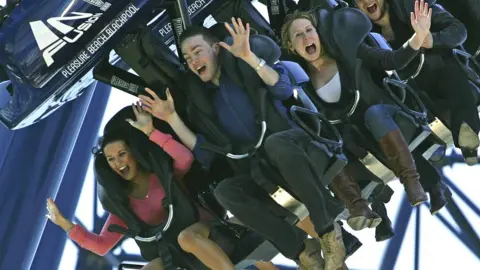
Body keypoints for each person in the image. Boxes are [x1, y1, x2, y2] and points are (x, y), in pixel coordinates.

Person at [137, 18, 368, 269]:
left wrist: (249, 58)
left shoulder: (244, 68)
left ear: (216, 49)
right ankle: (301, 250)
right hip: (265, 168)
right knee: (226, 191)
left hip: (302, 147)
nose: (193, 61)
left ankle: (327, 231)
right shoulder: (204, 103)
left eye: (197, 52)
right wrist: (170, 118)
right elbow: (206, 151)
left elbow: (282, 88)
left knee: (276, 144)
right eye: (187, 57)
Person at [45, 104, 241, 270]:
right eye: (111, 159)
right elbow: (101, 245)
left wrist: (150, 132)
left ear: (134, 153)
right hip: (176, 255)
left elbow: (185, 158)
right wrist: (63, 223)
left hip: (206, 232)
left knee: (186, 238)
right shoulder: (124, 207)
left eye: (122, 154)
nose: (118, 162)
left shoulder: (164, 175)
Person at [280, 1, 435, 208]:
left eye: (310, 30)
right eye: (298, 35)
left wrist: (418, 37)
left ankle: (412, 181)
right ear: (291, 46)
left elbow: (391, 60)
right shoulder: (302, 84)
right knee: (329, 143)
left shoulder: (349, 51)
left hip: (385, 114)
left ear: (318, 34)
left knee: (374, 115)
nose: (307, 37)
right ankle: (362, 208)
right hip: (356, 135)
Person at [353, 0, 480, 165]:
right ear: (355, 6)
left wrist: (432, 40)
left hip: (437, 68)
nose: (367, 1)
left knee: (451, 77)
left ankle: (467, 137)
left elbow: (458, 30)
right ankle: (428, 160)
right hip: (404, 91)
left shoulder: (410, 5)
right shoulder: (361, 34)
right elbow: (384, 63)